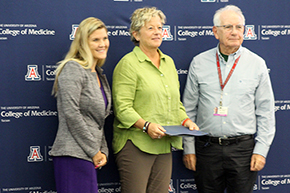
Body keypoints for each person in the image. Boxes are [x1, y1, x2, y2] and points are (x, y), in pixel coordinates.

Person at [182, 5, 275, 193]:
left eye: (239, 27)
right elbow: (188, 110)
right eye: (228, 27)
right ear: (216, 32)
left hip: (243, 151)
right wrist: (188, 148)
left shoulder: (257, 64)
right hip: (207, 149)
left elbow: (265, 111)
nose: (234, 32)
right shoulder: (199, 62)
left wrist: (261, 150)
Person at [112, 7, 198, 193]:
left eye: (159, 28)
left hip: (164, 144)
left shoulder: (169, 62)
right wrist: (146, 126)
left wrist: (186, 120)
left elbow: (175, 103)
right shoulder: (128, 64)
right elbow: (122, 108)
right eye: (150, 28)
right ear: (136, 34)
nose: (157, 32)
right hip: (136, 144)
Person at [49, 17, 111, 193]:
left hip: (90, 157)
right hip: (72, 155)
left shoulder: (99, 74)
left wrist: (103, 150)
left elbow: (98, 121)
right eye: (95, 40)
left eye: (105, 38)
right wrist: (94, 151)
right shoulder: (73, 68)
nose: (102, 44)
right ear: (83, 43)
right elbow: (71, 113)